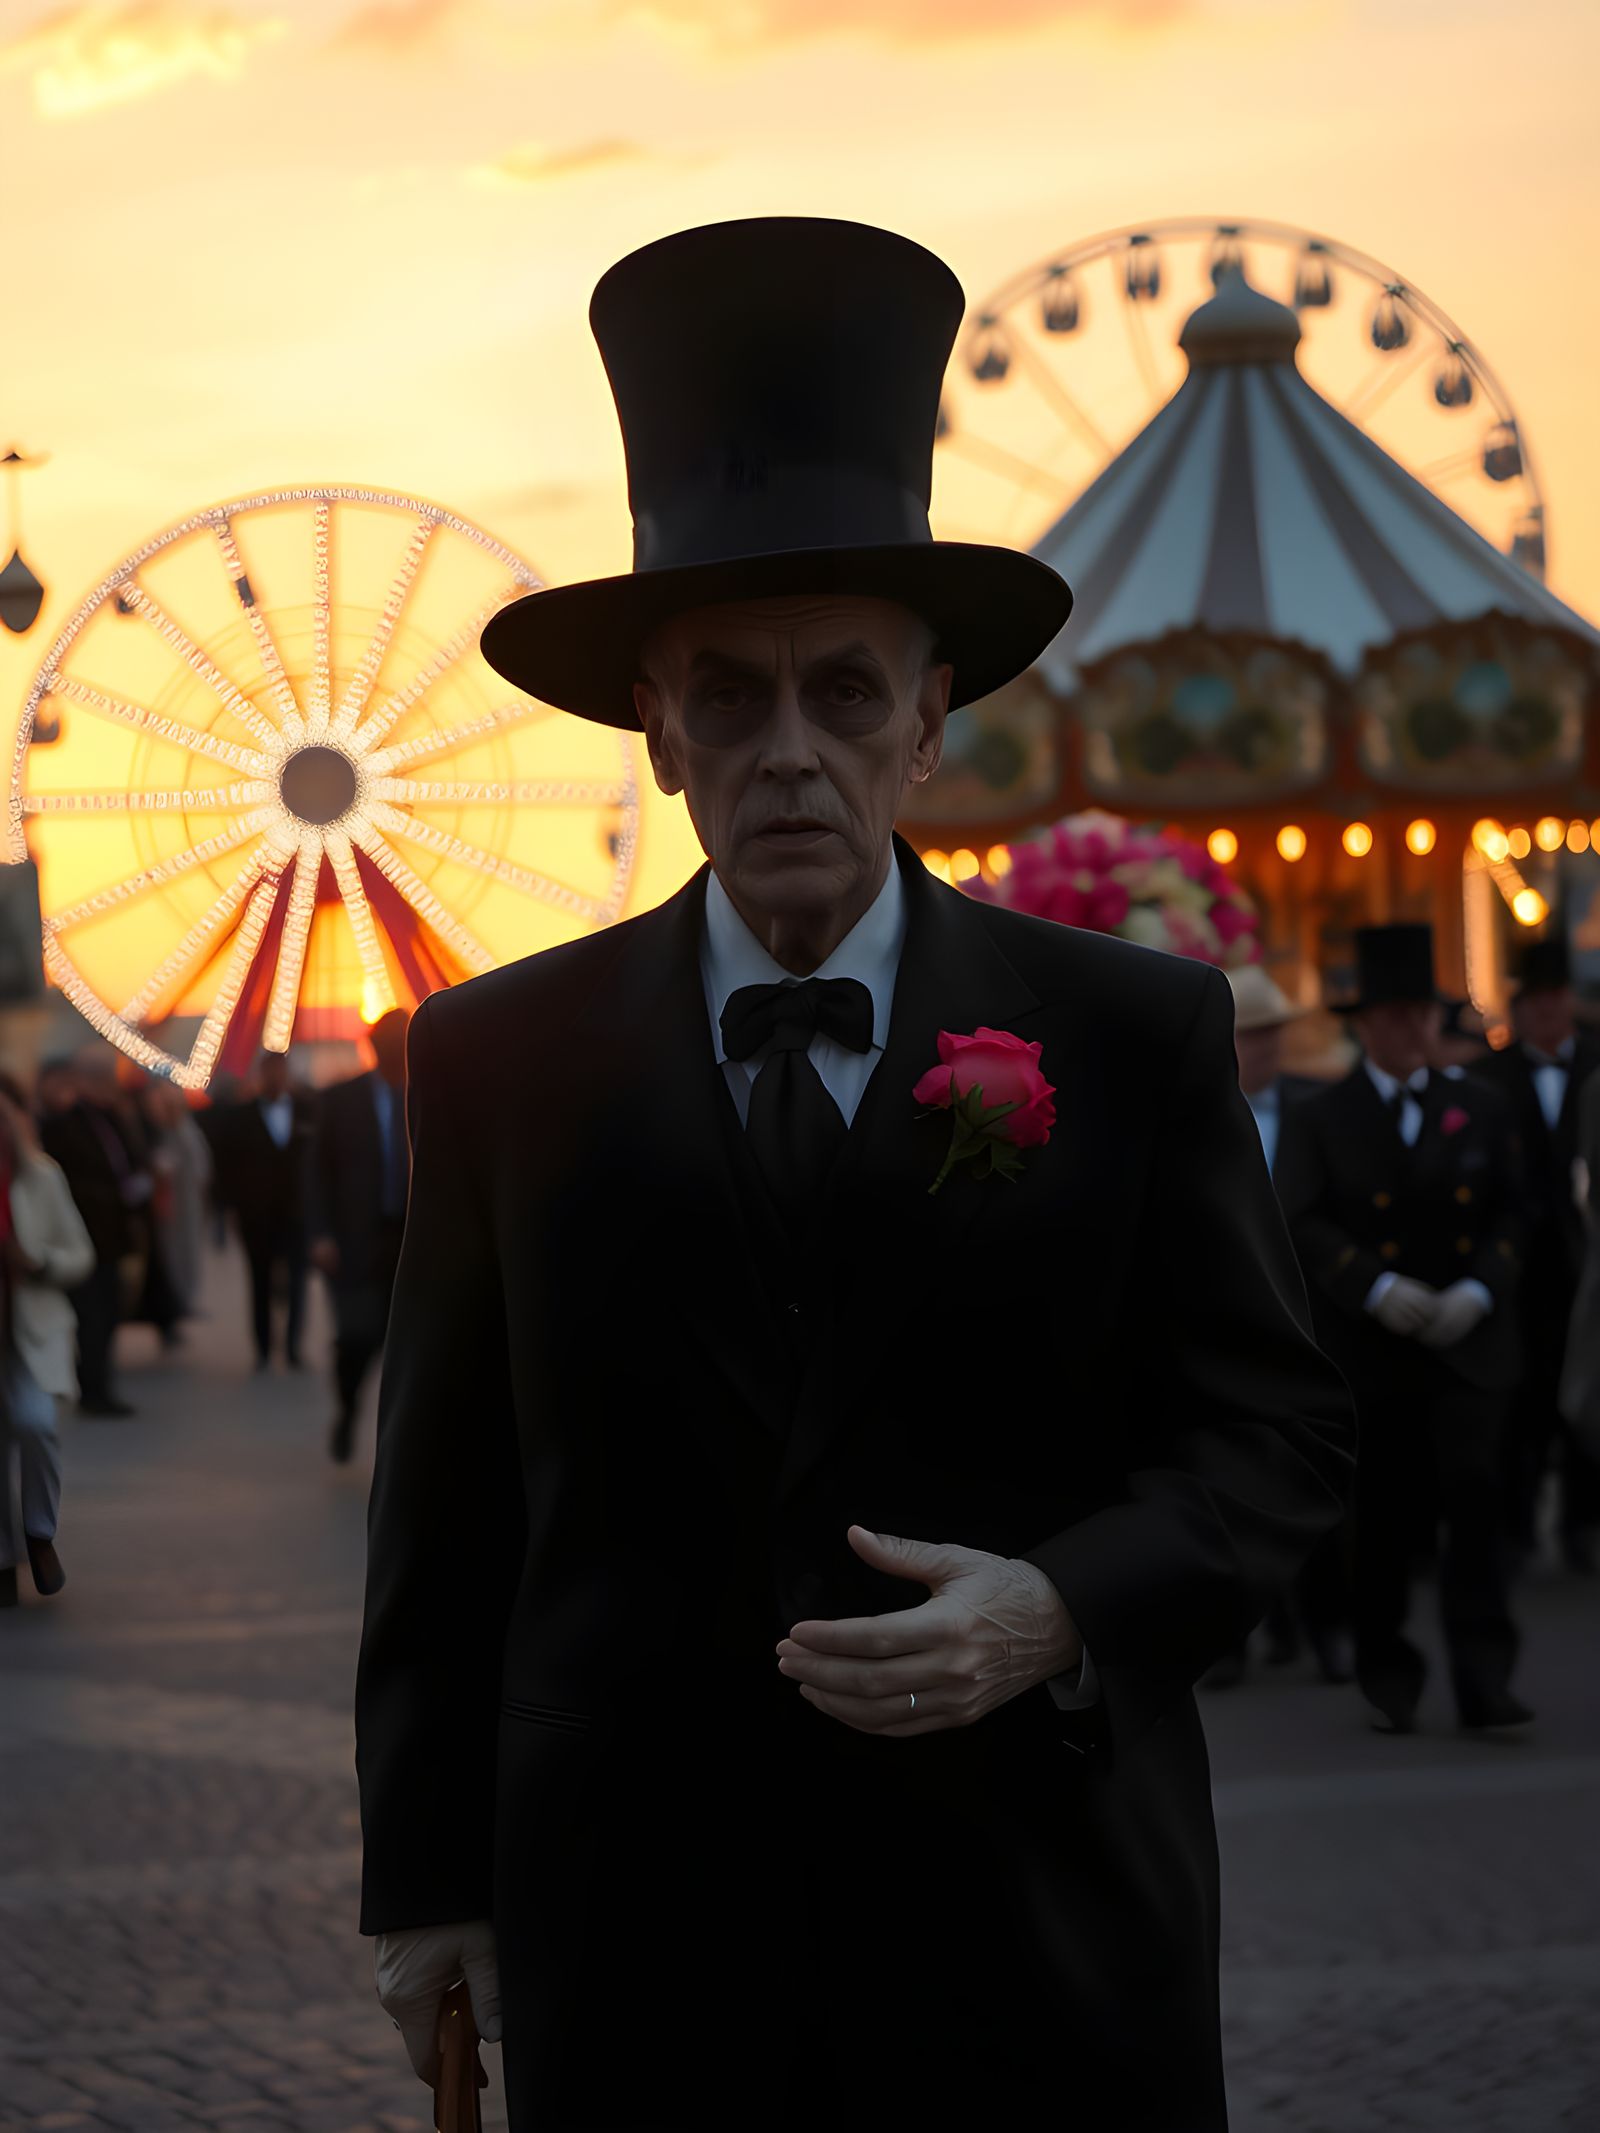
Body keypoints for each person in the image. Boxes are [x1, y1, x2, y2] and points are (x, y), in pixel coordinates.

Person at [353, 217, 1356, 2131]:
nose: (787, 750)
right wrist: (430, 1890)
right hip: (643, 1944)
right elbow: (448, 1509)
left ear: (929, 716)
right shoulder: (498, 1056)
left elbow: (1276, 1439)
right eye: (726, 695)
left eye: (840, 691)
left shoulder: (1134, 1029)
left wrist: (1058, 1605)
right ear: (655, 732)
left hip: (1040, 1923)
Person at [1276, 924, 1531, 1736]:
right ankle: (1388, 1667)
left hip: (1464, 1347)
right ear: (1364, 1023)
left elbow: (1519, 1213)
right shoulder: (1325, 1113)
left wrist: (1482, 1290)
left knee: (1476, 1505)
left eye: (1421, 1014)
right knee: (1381, 1519)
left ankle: (1486, 1676)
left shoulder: (1482, 1106)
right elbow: (1300, 1219)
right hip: (1376, 1350)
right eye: (1392, 1015)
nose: (1410, 1030)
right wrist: (1371, 1283)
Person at [1203, 964, 1353, 1689]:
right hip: (1220, 1336)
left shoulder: (1320, 1108)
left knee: (1316, 1489)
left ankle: (1326, 1630)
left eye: (1270, 1035)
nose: (1261, 1050)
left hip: (1312, 1334)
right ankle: (1229, 1640)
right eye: (1248, 1036)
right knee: (1223, 1490)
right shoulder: (1189, 1114)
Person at [1478, 936, 1600, 1572]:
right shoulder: (1487, 1077)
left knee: (1587, 1398)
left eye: (1556, 998)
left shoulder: (1597, 1070)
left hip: (1588, 1270)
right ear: (1518, 1009)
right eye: (1534, 1001)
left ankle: (1583, 1524)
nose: (1547, 1011)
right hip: (1519, 1274)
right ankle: (1520, 1526)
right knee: (1519, 1406)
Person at [0, 1072, 95, 1608]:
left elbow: (81, 1254)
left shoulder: (42, 1178)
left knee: (36, 1425)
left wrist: (38, 1265)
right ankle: (1, 1560)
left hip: (29, 1329)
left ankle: (39, 1534)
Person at [311, 1011, 411, 1461]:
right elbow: (315, 1171)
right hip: (355, 1242)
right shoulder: (341, 1100)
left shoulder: (432, 1096)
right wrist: (320, 1233)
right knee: (356, 1336)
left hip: (413, 1242)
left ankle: (398, 1439)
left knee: (408, 1346)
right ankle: (348, 1408)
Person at [39, 1048, 151, 1418]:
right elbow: (67, 1182)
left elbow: (127, 1162)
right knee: (92, 1314)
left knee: (108, 1311)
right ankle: (93, 1389)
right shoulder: (63, 1124)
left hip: (113, 1234)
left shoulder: (112, 1118)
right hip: (85, 1233)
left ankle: (100, 1383)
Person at [213, 1049, 314, 1373]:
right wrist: (229, 1207)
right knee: (259, 1279)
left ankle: (294, 1345)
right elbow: (226, 1165)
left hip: (297, 1212)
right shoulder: (240, 1117)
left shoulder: (307, 1112)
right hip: (256, 1215)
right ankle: (263, 1346)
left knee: (298, 1280)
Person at [140, 1077, 213, 1329]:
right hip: (170, 1206)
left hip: (186, 1204)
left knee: (185, 1251)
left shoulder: (185, 1131)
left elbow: (200, 1169)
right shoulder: (157, 1132)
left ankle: (182, 1299)